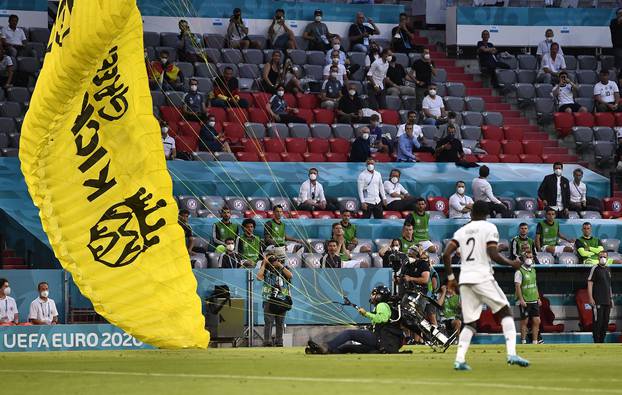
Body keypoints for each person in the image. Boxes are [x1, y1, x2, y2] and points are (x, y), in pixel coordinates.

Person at [442, 200, 529, 370]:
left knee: (470, 323)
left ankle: (459, 359)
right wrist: (512, 263)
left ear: (472, 212)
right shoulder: (489, 228)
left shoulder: (461, 231)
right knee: (505, 312)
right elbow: (492, 253)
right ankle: (511, 353)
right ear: (487, 214)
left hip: (465, 280)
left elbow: (446, 254)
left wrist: (451, 278)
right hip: (482, 276)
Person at [307, 285, 404, 354]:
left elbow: (382, 319)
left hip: (379, 338)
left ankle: (326, 347)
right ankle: (323, 351)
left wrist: (366, 314)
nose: (372, 296)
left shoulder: (382, 305)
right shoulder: (384, 306)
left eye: (374, 294)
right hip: (380, 341)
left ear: (380, 296)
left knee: (349, 333)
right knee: (348, 348)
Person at [258, 250, 292, 347]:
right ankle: (267, 342)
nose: (271, 260)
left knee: (280, 322)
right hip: (268, 298)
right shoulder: (265, 268)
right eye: (270, 259)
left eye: (273, 258)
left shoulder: (283, 268)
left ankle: (279, 342)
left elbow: (290, 276)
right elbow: (259, 278)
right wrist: (264, 264)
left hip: (282, 298)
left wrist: (279, 265)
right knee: (268, 322)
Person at [514, 251, 541, 345]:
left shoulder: (533, 270)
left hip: (534, 299)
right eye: (527, 257)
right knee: (524, 321)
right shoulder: (519, 271)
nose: (529, 259)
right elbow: (517, 286)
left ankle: (535, 342)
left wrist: (538, 298)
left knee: (537, 320)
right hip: (525, 300)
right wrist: (521, 299)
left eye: (531, 257)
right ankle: (523, 341)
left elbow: (535, 284)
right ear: (523, 258)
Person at [587, 252, 613, 343]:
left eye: (604, 257)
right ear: (598, 258)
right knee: (598, 322)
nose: (603, 258)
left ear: (607, 258)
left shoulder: (608, 269)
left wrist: (611, 299)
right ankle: (596, 342)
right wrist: (590, 298)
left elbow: (609, 285)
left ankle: (602, 341)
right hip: (598, 300)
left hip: (607, 301)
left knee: (605, 322)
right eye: (601, 257)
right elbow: (590, 283)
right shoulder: (595, 268)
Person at [610, 8, 622, 72]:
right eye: (620, 13)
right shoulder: (613, 22)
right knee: (619, 62)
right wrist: (619, 22)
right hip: (618, 46)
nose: (621, 15)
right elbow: (613, 31)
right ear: (616, 14)